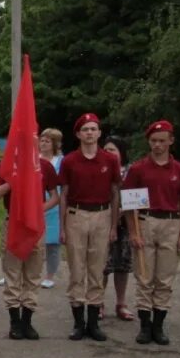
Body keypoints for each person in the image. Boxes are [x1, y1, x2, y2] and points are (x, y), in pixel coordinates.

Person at [123, 120, 180, 345]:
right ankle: (145, 325)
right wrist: (133, 232)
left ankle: (159, 326)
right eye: (153, 141)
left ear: (171, 141)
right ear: (149, 142)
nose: (158, 145)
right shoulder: (138, 169)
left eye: (162, 141)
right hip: (146, 221)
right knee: (144, 275)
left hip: (171, 222)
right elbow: (129, 203)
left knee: (165, 277)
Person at [59, 113, 121, 341]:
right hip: (76, 214)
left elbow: (115, 193)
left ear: (99, 133)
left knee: (97, 269)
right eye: (85, 129)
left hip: (102, 215)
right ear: (78, 134)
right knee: (77, 269)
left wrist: (114, 225)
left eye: (93, 129)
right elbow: (64, 194)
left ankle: (94, 322)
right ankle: (78, 322)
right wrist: (63, 226)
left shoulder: (110, 160)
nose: (89, 133)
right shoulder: (69, 161)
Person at [0, 152, 60, 340]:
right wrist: (12, 181)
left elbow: (55, 197)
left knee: (33, 273)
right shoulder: (6, 165)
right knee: (12, 272)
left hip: (35, 224)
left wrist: (37, 209)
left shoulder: (44, 166)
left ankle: (27, 320)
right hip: (13, 223)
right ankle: (15, 322)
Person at [102, 137, 134, 322]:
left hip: (126, 225)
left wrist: (124, 211)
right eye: (105, 150)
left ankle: (121, 303)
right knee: (102, 265)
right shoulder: (100, 170)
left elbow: (139, 197)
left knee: (122, 265)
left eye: (112, 150)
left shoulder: (131, 172)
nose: (108, 153)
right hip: (103, 222)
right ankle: (98, 303)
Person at [39, 128, 65, 288]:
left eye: (47, 141)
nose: (43, 143)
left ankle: (50, 275)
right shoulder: (34, 159)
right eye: (41, 140)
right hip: (36, 203)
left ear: (55, 144)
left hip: (55, 205)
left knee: (52, 244)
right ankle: (20, 272)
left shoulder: (61, 161)